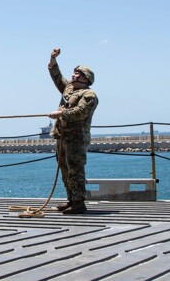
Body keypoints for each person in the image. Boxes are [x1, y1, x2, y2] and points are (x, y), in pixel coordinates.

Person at [48, 48, 98, 215]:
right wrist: (53, 59)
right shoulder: (69, 89)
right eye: (74, 72)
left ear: (86, 78)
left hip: (76, 138)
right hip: (62, 136)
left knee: (75, 170)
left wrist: (61, 113)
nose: (73, 75)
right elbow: (56, 77)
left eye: (77, 73)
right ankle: (71, 200)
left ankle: (79, 202)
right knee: (64, 169)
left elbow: (80, 112)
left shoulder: (89, 94)